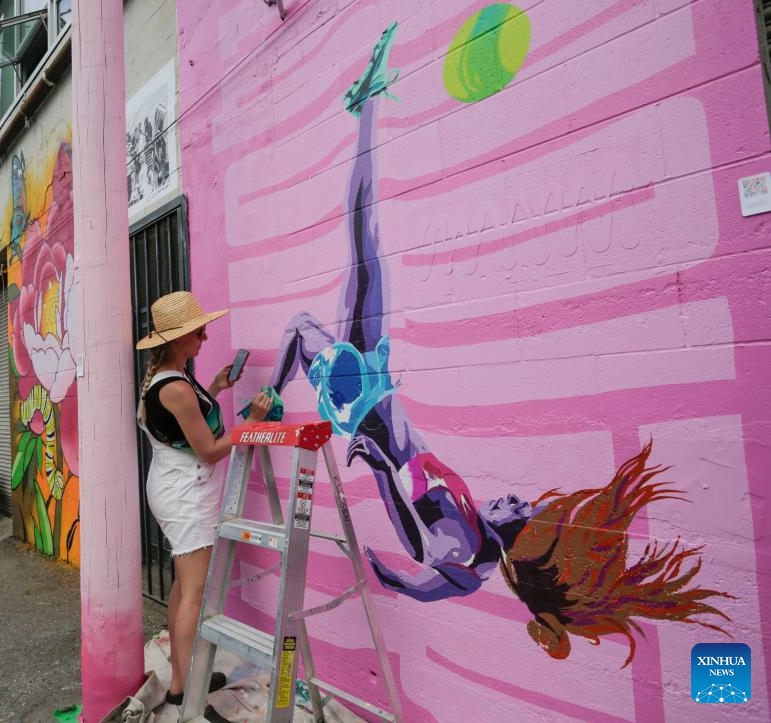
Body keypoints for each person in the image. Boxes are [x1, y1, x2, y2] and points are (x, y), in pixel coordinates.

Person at [269, 23, 729, 664]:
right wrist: (396, 552)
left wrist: (380, 483)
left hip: (363, 400)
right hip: (372, 386)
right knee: (360, 247)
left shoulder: (464, 547)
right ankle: (368, 106)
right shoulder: (478, 549)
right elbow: (425, 574)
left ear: (529, 544)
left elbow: (423, 563)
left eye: (524, 508)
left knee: (354, 252)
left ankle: (367, 108)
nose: (519, 498)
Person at [136, 290, 271, 717]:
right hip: (187, 493)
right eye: (199, 332)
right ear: (178, 338)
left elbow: (188, 422)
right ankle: (188, 694)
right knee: (194, 591)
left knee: (182, 586)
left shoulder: (169, 375)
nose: (205, 338)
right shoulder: (175, 386)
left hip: (177, 486)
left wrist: (214, 386)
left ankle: (180, 681)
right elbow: (210, 450)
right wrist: (250, 425)